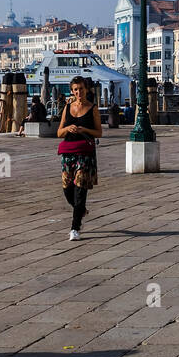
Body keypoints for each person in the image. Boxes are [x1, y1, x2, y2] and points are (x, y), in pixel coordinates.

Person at [57, 76, 102, 241]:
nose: (78, 92)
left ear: (86, 89)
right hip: (68, 152)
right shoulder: (68, 107)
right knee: (67, 189)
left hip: (85, 153)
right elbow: (59, 132)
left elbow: (99, 133)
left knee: (80, 188)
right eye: (75, 89)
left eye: (81, 89)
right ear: (72, 91)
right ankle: (81, 210)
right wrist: (68, 128)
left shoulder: (92, 108)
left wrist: (84, 129)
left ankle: (75, 227)